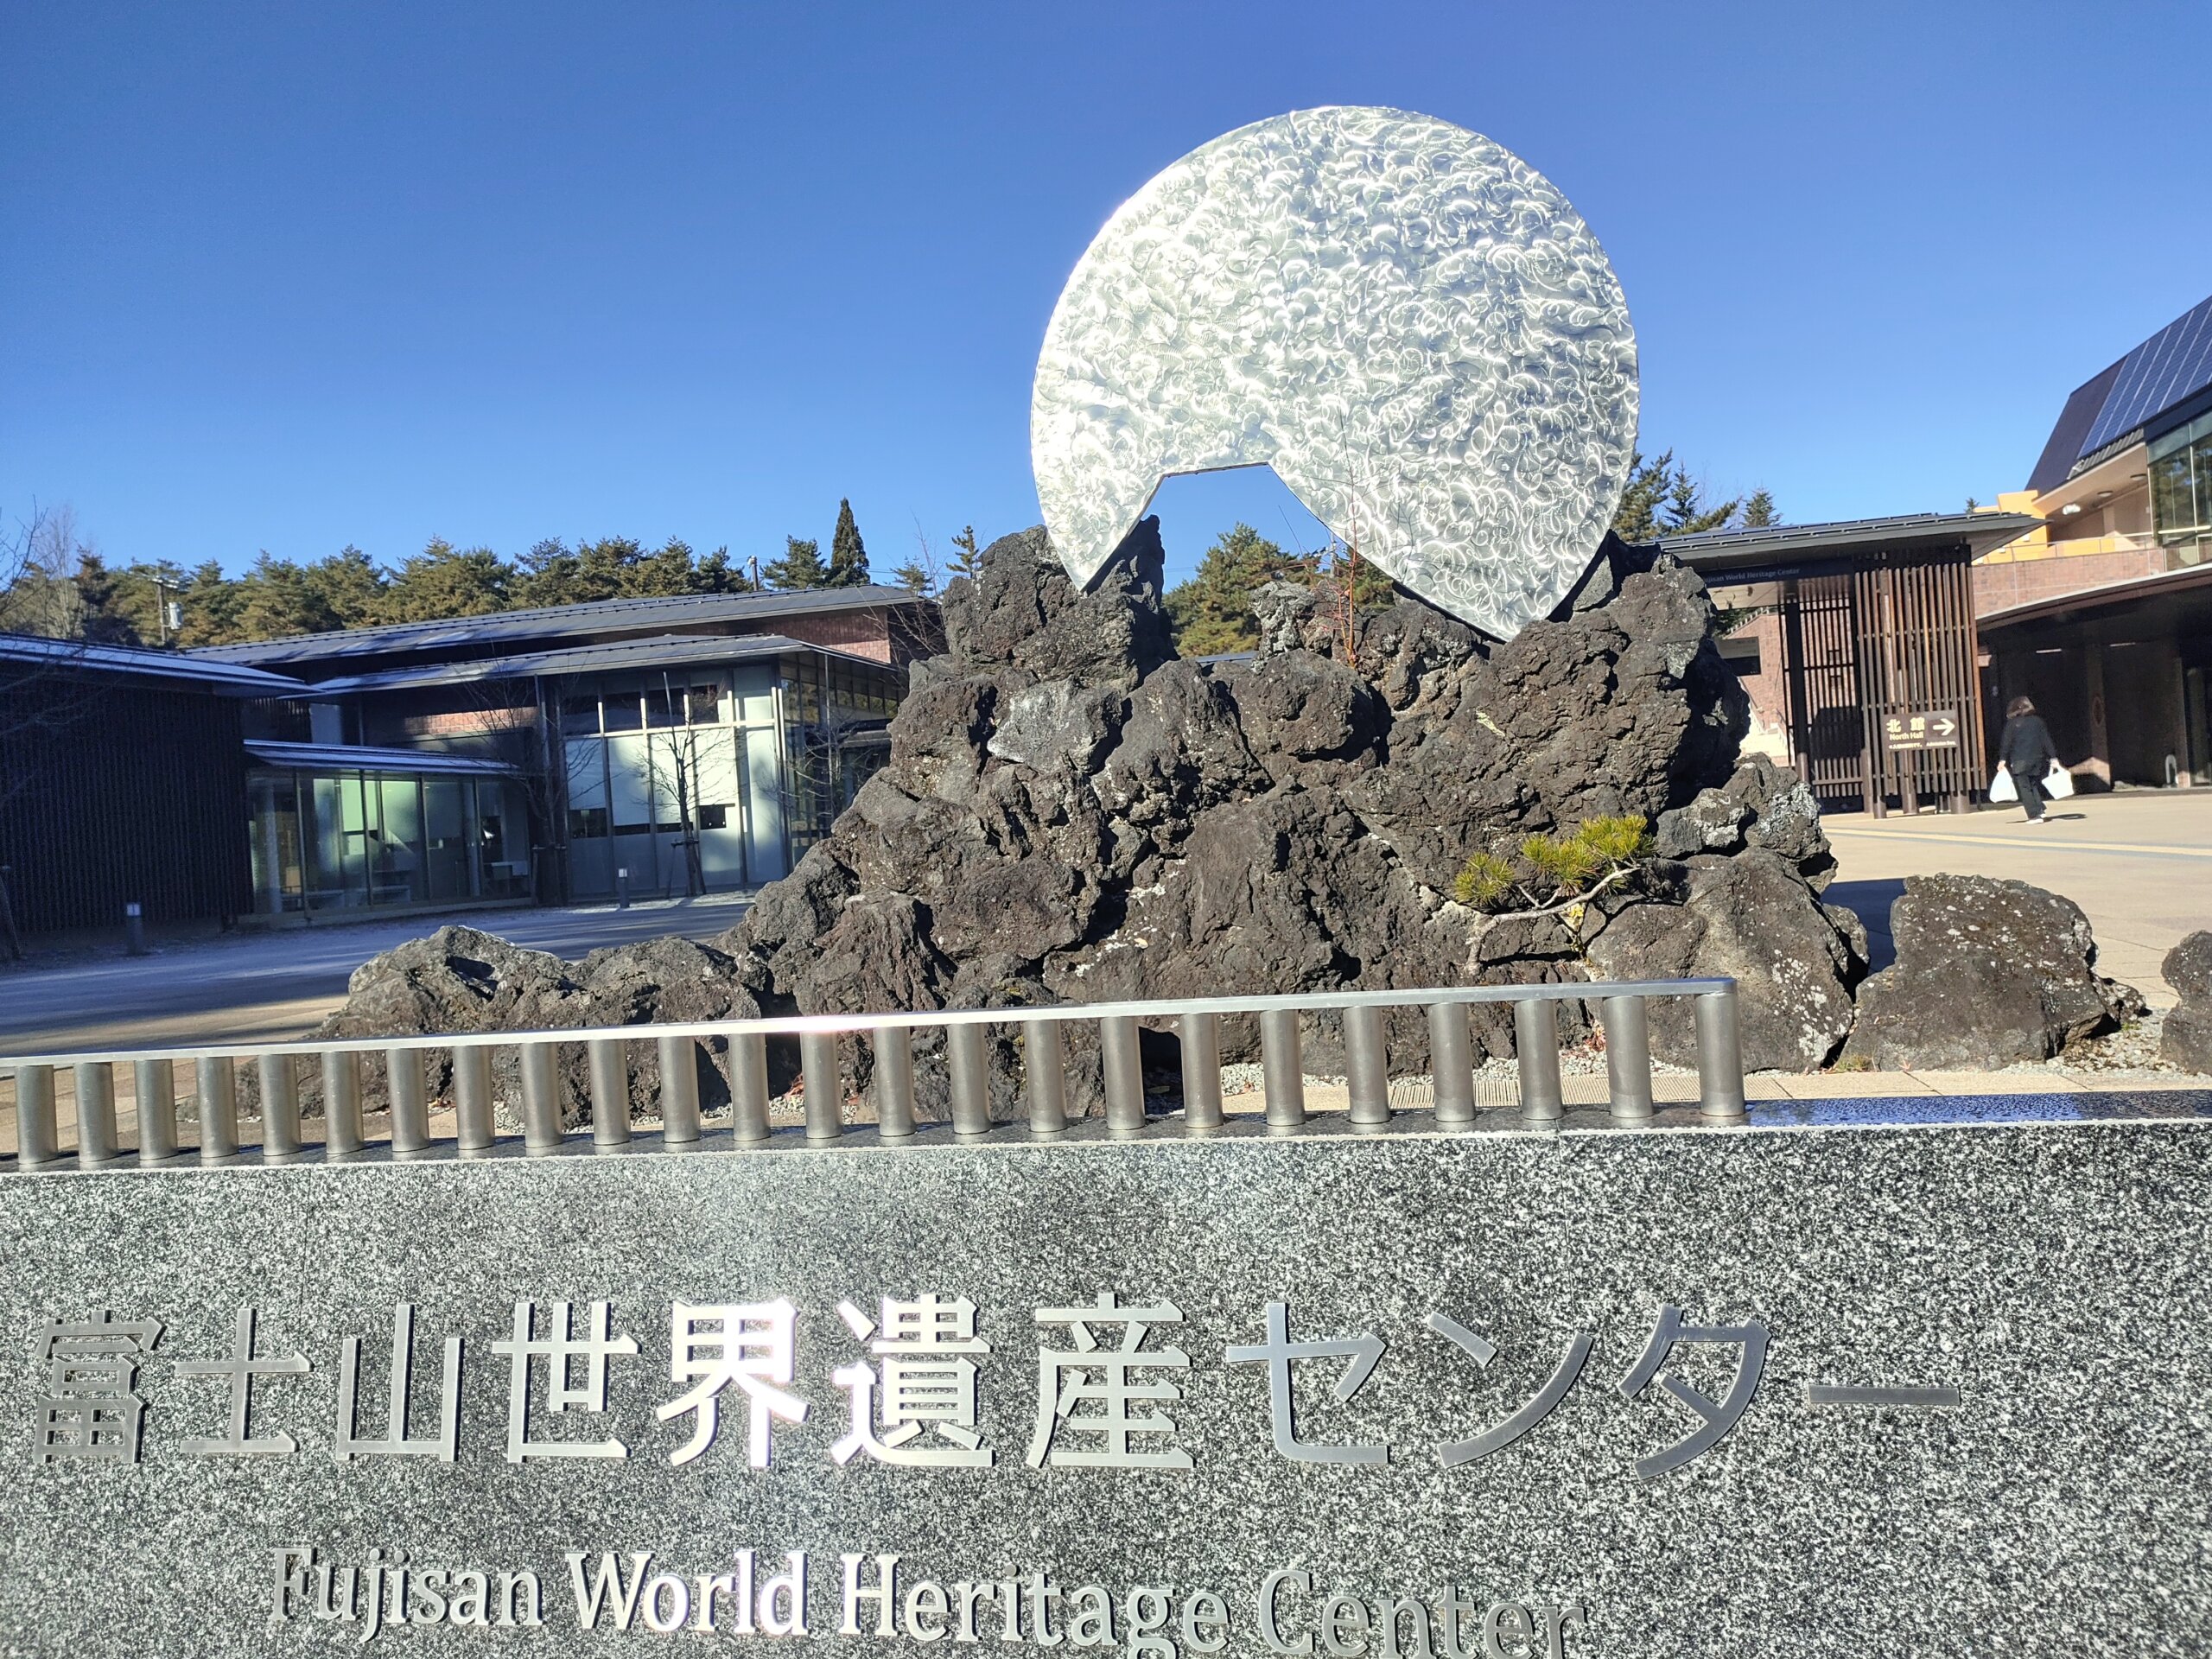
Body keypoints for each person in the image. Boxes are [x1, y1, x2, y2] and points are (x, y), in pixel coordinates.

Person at [1996, 695, 2060, 823]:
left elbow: (2006, 743)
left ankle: (2034, 815)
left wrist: (2002, 759)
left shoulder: (2012, 724)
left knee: (2025, 787)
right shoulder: (2038, 721)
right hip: (2037, 758)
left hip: (2019, 759)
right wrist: (2053, 757)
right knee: (2033, 784)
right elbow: (2046, 740)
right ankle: (2040, 810)